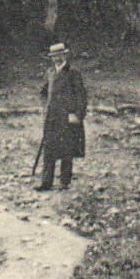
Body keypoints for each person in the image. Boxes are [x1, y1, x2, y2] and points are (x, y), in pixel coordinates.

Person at [35, 41, 87, 190]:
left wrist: (77, 115)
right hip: (52, 117)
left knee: (67, 150)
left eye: (59, 55)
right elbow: (44, 93)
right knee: (49, 149)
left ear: (65, 55)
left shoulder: (73, 72)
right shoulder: (51, 73)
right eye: (54, 56)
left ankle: (65, 181)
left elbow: (81, 96)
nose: (56, 58)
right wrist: (44, 108)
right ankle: (46, 182)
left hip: (67, 117)